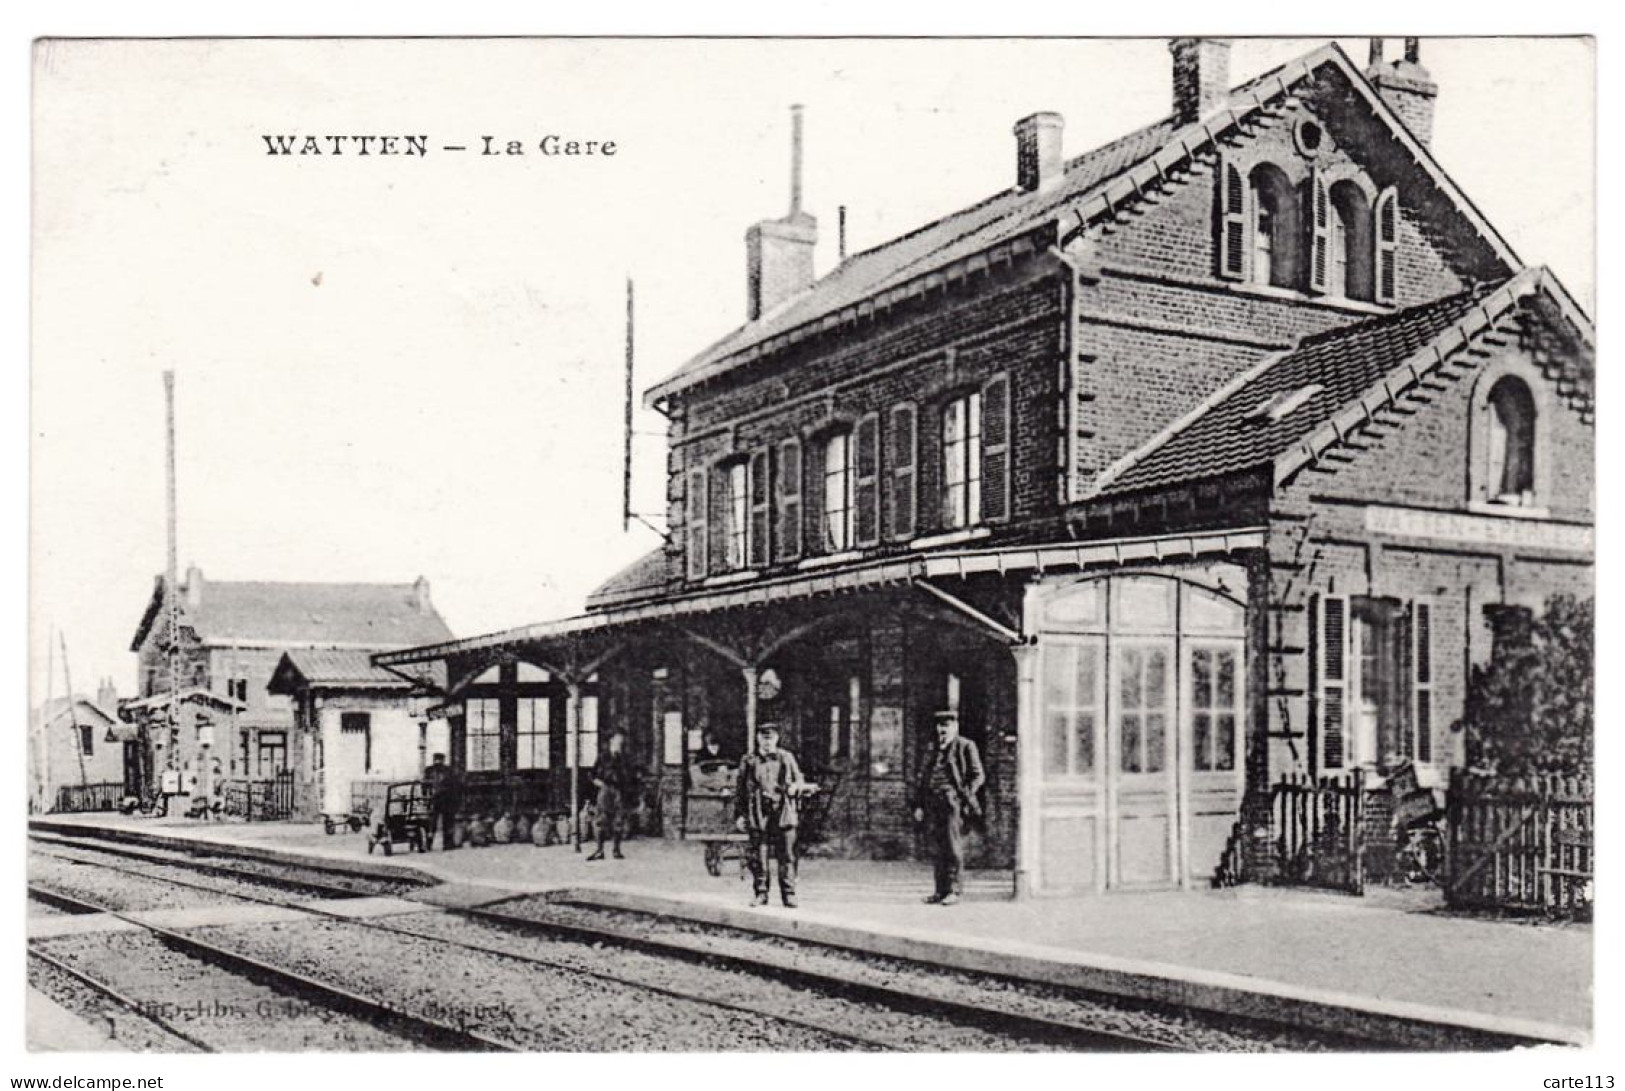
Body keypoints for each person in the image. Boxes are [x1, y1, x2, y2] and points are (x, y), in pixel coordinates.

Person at [912, 710, 985, 906]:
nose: (942, 730)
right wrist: (919, 805)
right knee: (937, 848)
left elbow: (978, 775)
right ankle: (940, 891)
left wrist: (964, 797)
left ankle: (955, 891)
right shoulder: (932, 748)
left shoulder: (965, 746)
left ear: (955, 727)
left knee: (953, 847)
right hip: (932, 803)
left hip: (952, 803)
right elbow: (922, 779)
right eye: (939, 726)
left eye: (946, 726)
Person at [733, 724, 809, 908]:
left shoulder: (786, 758)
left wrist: (795, 787)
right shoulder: (749, 760)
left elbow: (799, 780)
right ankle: (761, 893)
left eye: (771, 738)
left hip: (783, 811)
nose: (767, 742)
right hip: (758, 812)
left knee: (787, 856)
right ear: (758, 739)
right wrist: (740, 815)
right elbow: (741, 790)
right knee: (759, 855)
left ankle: (789, 894)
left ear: (776, 739)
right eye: (764, 738)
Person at [588, 731, 638, 861]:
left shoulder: (624, 758)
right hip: (605, 790)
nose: (619, 744)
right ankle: (599, 851)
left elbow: (631, 775)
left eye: (621, 742)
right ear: (611, 740)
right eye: (617, 740)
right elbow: (592, 774)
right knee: (601, 821)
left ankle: (616, 850)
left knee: (618, 821)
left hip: (619, 791)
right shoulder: (603, 756)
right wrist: (600, 784)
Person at [423, 753, 458, 851]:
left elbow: (425, 786)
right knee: (437, 822)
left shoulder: (431, 770)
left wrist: (426, 797)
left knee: (438, 822)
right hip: (440, 799)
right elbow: (425, 785)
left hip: (441, 799)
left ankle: (436, 844)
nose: (438, 761)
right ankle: (442, 844)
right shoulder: (446, 770)